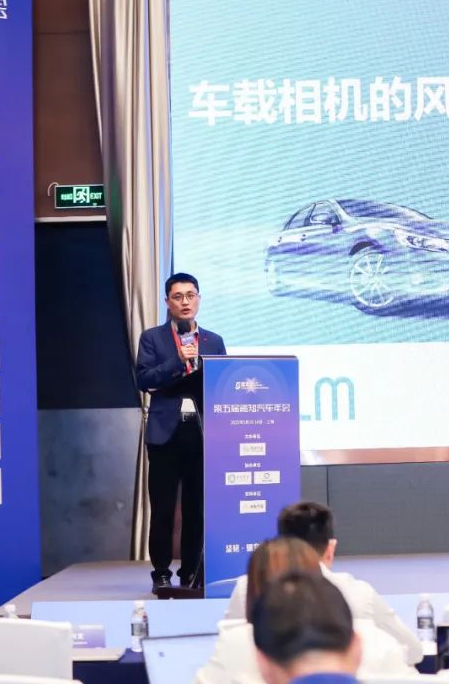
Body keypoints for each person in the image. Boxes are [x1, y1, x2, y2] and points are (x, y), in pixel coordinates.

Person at [222, 501, 422, 664]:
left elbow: (228, 649)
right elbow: (413, 651)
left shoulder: (247, 587)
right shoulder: (359, 592)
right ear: (330, 548)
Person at [194, 538, 412, 684]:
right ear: (357, 647)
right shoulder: (379, 640)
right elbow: (414, 654)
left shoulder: (236, 642)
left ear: (263, 663)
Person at [135, 272, 226, 592]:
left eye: (190, 295)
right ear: (167, 302)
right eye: (178, 297)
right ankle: (160, 571)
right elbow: (144, 379)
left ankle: (190, 571)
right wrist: (178, 361)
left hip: (200, 432)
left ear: (199, 299)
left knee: (195, 507)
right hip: (164, 433)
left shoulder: (213, 341)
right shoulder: (152, 338)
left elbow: (221, 384)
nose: (185, 302)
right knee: (162, 507)